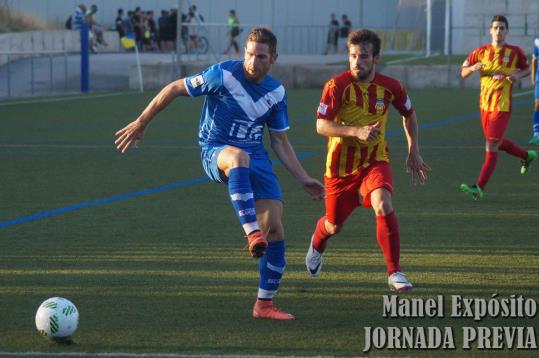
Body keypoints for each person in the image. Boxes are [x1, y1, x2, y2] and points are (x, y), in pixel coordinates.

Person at [115, 27, 324, 320]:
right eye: (249, 54)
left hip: (258, 157)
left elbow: (279, 141)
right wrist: (142, 121)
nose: (253, 61)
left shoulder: (276, 92)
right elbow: (175, 88)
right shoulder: (223, 74)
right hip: (217, 150)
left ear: (273, 58)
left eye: (261, 56)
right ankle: (251, 232)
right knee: (239, 158)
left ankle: (264, 305)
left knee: (275, 228)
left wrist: (303, 178)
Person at [305, 29, 430, 292]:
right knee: (334, 225)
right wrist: (355, 131)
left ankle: (394, 272)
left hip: (375, 160)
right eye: (352, 56)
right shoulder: (336, 86)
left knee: (383, 203)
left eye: (363, 56)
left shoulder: (392, 86)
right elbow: (320, 125)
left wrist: (413, 149)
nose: (356, 62)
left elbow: (409, 114)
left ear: (376, 58)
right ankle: (318, 239)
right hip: (340, 168)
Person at [460, 15, 536, 200]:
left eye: (502, 28)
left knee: (491, 144)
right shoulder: (481, 51)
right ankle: (527, 155)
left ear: (507, 31)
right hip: (484, 105)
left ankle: (479, 188)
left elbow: (526, 69)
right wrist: (472, 69)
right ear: (490, 30)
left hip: (501, 105)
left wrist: (518, 76)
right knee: (496, 142)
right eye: (496, 27)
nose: (499, 31)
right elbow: (463, 72)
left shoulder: (515, 52)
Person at [530, 37, 539, 145]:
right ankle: (536, 134)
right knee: (537, 104)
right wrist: (532, 77)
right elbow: (534, 60)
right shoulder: (537, 42)